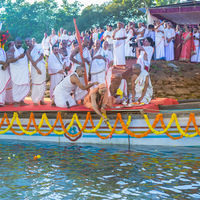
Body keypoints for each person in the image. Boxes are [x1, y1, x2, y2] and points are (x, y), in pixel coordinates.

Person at [8, 37, 30, 107]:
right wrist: (18, 58)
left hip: (23, 72)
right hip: (16, 72)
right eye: (18, 43)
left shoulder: (22, 50)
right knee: (16, 87)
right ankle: (16, 101)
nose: (19, 44)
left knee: (24, 86)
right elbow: (9, 60)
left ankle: (21, 100)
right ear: (15, 42)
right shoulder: (11, 50)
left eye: (20, 43)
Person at [25, 38, 46, 105]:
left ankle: (42, 100)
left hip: (41, 66)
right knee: (35, 84)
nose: (28, 42)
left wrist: (37, 62)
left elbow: (42, 56)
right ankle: (35, 100)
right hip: (34, 68)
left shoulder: (38, 46)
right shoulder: (27, 51)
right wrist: (37, 69)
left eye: (28, 41)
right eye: (26, 42)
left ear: (32, 41)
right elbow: (31, 61)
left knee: (42, 83)